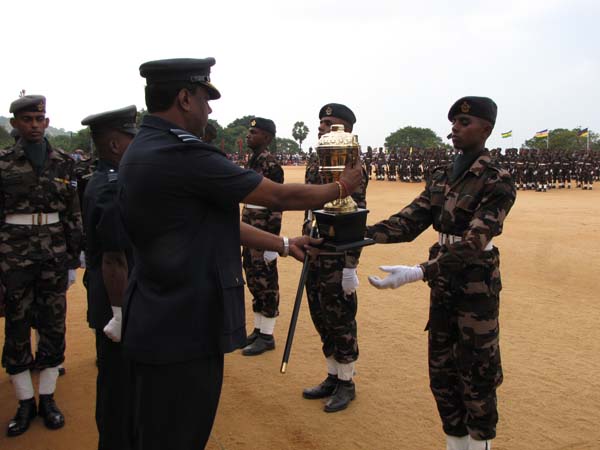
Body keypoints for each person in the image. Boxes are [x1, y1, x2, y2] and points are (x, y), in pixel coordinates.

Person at [117, 57, 363, 450]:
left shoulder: (145, 146)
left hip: (161, 316)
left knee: (161, 429)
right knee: (178, 433)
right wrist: (341, 188)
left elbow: (213, 222)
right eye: (204, 98)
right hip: (185, 325)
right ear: (184, 98)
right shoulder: (181, 153)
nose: (209, 108)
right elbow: (278, 196)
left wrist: (282, 244)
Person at [366, 97, 516, 450]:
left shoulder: (497, 179)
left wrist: (419, 271)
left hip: (474, 282)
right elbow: (409, 220)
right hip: (444, 280)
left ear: (486, 129)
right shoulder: (441, 175)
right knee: (442, 370)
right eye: (454, 122)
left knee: (476, 371)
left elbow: (474, 242)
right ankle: (455, 444)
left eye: (465, 122)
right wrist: (358, 235)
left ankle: (479, 446)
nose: (455, 128)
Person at [0, 95, 83, 436]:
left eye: (39, 118)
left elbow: (72, 212)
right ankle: (24, 401)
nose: (34, 124)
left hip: (52, 253)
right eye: (27, 119)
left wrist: (73, 258)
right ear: (14, 124)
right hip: (13, 255)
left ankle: (47, 398)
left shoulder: (63, 162)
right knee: (16, 327)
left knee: (53, 325)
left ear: (47, 122)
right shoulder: (3, 162)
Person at [301, 103, 368, 413]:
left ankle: (346, 381)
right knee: (319, 313)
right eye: (321, 122)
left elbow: (356, 217)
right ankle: (332, 375)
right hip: (316, 249)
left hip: (338, 254)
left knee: (340, 317)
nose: (322, 127)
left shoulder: (353, 167)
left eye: (329, 123)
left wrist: (350, 266)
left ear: (346, 130)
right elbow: (308, 206)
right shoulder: (317, 163)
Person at [81, 105, 138, 450]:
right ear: (115, 145)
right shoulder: (113, 188)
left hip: (108, 297)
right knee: (120, 389)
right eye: (132, 138)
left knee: (115, 384)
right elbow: (115, 258)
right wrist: (120, 315)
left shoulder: (99, 180)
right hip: (118, 302)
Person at [241, 117, 284, 356]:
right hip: (250, 226)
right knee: (254, 277)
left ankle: (267, 335)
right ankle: (258, 329)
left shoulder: (271, 163)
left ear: (266, 138)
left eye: (254, 132)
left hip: (263, 230)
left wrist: (273, 243)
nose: (249, 135)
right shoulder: (254, 159)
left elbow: (277, 204)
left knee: (266, 281)